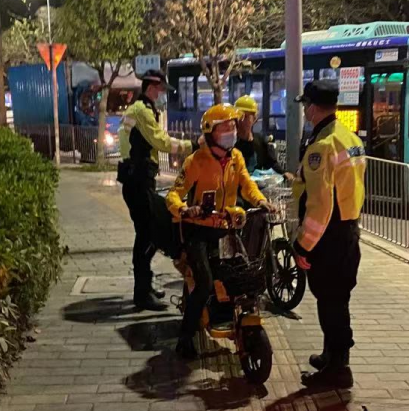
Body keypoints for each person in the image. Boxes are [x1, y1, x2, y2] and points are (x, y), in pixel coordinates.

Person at [166, 104, 269, 358]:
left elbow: (247, 185)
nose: (231, 131)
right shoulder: (196, 161)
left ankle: (232, 318)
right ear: (210, 131)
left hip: (225, 229)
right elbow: (173, 194)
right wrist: (184, 210)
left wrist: (260, 201)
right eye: (225, 127)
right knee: (204, 283)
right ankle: (185, 337)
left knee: (242, 275)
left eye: (233, 126)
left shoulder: (236, 158)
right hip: (198, 231)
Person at [293, 79, 366, 389]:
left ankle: (337, 370)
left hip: (329, 237)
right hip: (348, 231)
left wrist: (303, 245)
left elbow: (321, 205)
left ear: (312, 108)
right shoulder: (350, 138)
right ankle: (332, 356)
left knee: (330, 303)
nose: (305, 112)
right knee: (339, 299)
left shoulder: (322, 146)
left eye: (306, 106)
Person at [118, 69, 195, 311]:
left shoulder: (138, 109)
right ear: (152, 88)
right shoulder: (142, 111)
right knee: (147, 235)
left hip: (137, 178)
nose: (162, 95)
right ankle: (142, 294)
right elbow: (160, 142)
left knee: (148, 233)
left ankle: (145, 287)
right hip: (138, 180)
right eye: (161, 90)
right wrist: (191, 146)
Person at [233, 95, 292, 179]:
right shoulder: (230, 144)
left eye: (245, 117)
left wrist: (284, 173)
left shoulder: (260, 142)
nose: (241, 121)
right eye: (239, 117)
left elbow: (271, 163)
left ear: (254, 119)